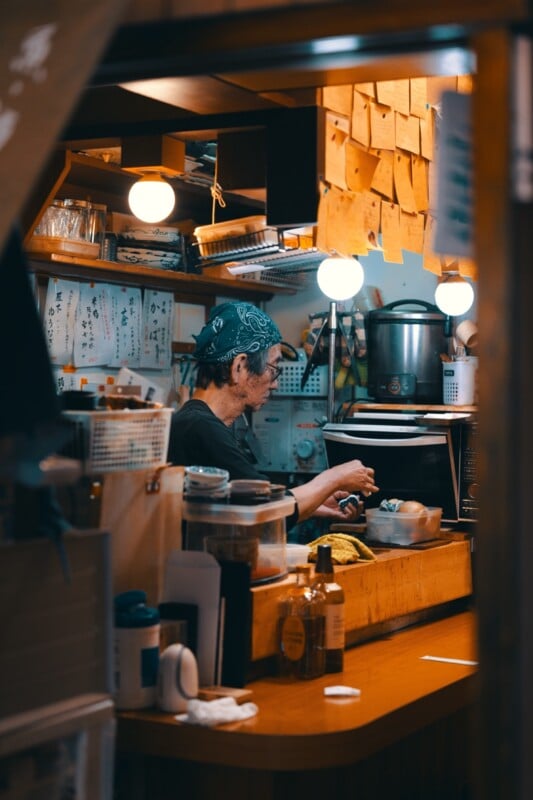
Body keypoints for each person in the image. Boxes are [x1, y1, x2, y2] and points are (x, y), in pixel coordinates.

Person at [167, 301, 378, 524]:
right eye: (273, 369)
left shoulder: (197, 422)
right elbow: (268, 511)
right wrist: (333, 479)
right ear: (239, 367)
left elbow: (243, 503)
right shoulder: (201, 428)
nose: (275, 384)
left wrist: (315, 500)